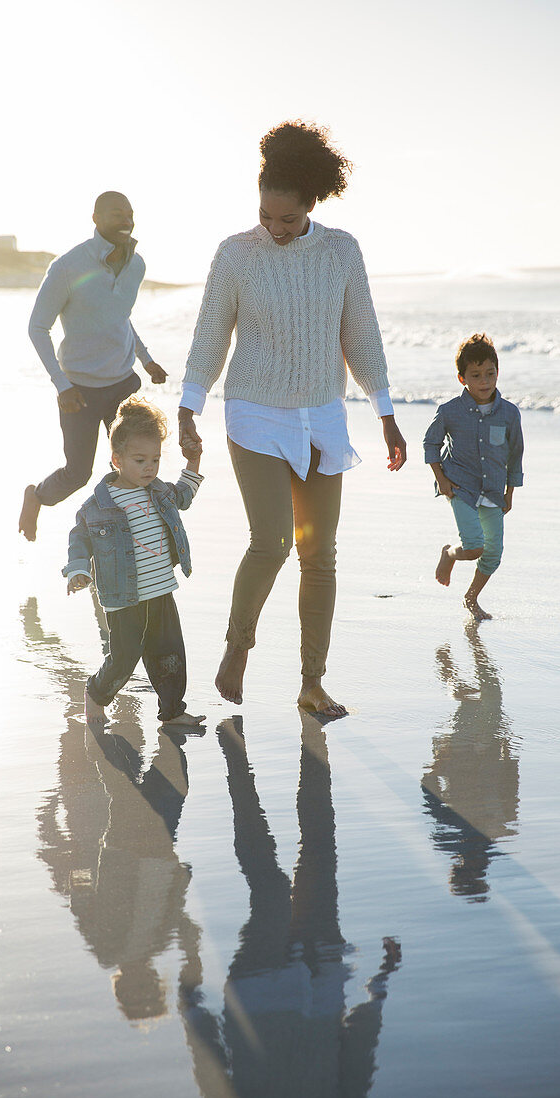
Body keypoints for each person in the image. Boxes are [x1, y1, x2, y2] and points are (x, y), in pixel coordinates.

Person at [178, 121, 407, 717]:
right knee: (272, 542)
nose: (274, 230)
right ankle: (237, 646)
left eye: (286, 219)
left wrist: (385, 413)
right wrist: (189, 409)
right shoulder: (236, 254)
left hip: (323, 420)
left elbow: (362, 336)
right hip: (255, 414)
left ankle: (311, 682)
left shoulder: (340, 251)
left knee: (320, 555)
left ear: (312, 203)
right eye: (266, 217)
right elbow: (211, 335)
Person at [19, 191, 167, 541]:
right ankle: (36, 496)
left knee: (135, 463)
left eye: (129, 213)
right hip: (79, 391)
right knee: (78, 472)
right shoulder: (68, 266)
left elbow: (120, 317)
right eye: (117, 213)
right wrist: (62, 385)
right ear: (96, 218)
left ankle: (131, 536)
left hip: (123, 385)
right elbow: (37, 327)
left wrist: (146, 360)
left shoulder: (137, 264)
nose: (126, 220)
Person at [64, 396, 205, 728]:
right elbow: (78, 539)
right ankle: (96, 695)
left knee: (170, 655)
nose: (150, 468)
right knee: (124, 658)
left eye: (155, 459)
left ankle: (172, 711)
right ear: (117, 459)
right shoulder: (97, 506)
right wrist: (78, 570)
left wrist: (194, 460)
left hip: (160, 591)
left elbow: (184, 492)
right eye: (140, 460)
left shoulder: (158, 492)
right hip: (123, 598)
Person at [423, 333, 524, 620]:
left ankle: (471, 598)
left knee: (493, 554)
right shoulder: (450, 411)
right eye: (476, 375)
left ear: (498, 372)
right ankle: (450, 553)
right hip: (460, 487)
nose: (484, 381)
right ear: (462, 378)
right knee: (474, 546)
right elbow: (431, 444)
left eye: (490, 373)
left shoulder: (509, 414)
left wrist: (510, 491)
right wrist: (442, 480)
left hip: (493, 490)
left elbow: (515, 453)